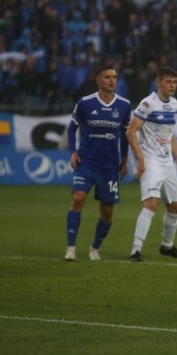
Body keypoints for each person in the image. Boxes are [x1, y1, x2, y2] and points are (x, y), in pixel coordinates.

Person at [64, 65, 132, 261]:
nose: (112, 80)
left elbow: (126, 135)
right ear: (98, 80)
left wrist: (125, 159)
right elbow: (71, 129)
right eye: (108, 77)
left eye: (114, 77)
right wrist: (73, 152)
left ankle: (95, 248)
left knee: (107, 210)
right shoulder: (85, 103)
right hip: (86, 162)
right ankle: (71, 248)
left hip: (110, 166)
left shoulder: (124, 105)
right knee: (78, 199)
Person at [125, 67, 177, 262]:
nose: (172, 85)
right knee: (152, 203)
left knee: (175, 206)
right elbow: (131, 132)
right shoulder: (147, 104)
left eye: (174, 82)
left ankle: (167, 246)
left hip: (167, 160)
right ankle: (135, 250)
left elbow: (169, 136)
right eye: (168, 81)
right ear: (159, 82)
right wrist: (140, 158)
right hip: (151, 159)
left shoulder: (174, 103)